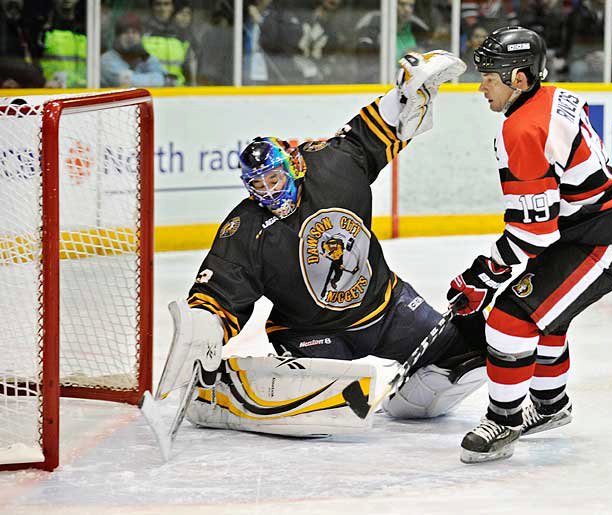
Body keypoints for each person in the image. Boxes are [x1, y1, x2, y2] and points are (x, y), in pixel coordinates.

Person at [155, 51, 483, 436]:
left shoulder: (332, 166)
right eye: (258, 185)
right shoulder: (245, 227)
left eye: (274, 179)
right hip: (309, 334)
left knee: (468, 353)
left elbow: (373, 133)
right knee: (327, 414)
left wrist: (408, 94)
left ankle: (408, 401)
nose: (269, 191)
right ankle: (228, 395)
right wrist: (205, 329)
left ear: (291, 167)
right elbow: (221, 293)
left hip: (387, 308)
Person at [448, 26, 612, 464]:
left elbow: (533, 232)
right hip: (588, 226)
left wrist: (481, 277)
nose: (481, 86)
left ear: (519, 78)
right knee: (546, 315)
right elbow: (545, 218)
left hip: (602, 241)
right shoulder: (554, 96)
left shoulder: (521, 130)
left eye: (490, 77)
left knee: (509, 318)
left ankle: (505, 418)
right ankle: (552, 406)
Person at [100, 12, 167, 88]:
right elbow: (127, 83)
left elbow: (164, 79)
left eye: (134, 32)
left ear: (140, 36)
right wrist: (155, 77)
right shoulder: (107, 60)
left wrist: (145, 58)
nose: (130, 36)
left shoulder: (143, 55)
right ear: (117, 37)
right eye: (125, 32)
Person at [142, 0, 196, 86]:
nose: (162, 8)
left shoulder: (182, 35)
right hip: (151, 90)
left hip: (177, 93)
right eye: (158, 4)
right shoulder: (142, 33)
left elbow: (188, 69)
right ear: (152, 8)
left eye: (166, 4)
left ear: (173, 8)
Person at [39, 0, 86, 88]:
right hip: (50, 92)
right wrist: (41, 81)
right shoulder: (41, 30)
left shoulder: (89, 27)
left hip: (85, 91)